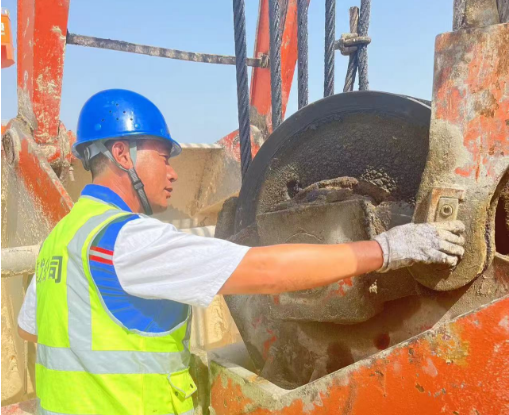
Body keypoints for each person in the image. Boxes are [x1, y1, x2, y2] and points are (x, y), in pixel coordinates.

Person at [17, 89, 465, 415]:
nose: (172, 173)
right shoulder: (129, 241)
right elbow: (266, 271)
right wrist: (385, 249)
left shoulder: (64, 237)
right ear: (122, 153)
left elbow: (35, 331)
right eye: (163, 157)